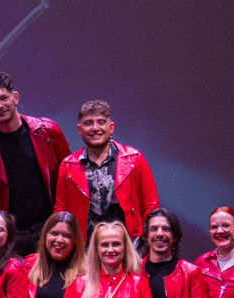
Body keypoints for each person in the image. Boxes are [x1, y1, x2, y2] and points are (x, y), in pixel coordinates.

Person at [0, 72, 70, 254]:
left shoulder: (47, 132)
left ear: (15, 97)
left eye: (4, 98)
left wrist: (66, 222)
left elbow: (69, 178)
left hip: (49, 228)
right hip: (8, 234)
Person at [53, 100, 159, 240]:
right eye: (88, 123)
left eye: (101, 122)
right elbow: (61, 212)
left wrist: (150, 240)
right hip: (85, 249)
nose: (95, 128)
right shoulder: (68, 166)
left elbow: (150, 205)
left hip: (130, 246)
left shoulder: (134, 159)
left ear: (111, 127)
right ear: (79, 129)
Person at [0, 211, 83, 298]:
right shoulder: (26, 267)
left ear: (75, 241)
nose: (59, 240)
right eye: (54, 233)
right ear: (45, 236)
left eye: (67, 236)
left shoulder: (85, 273)